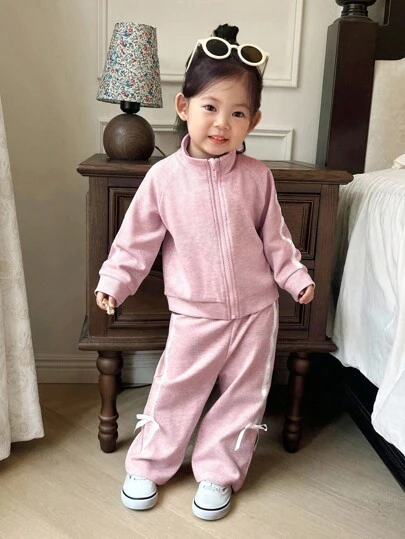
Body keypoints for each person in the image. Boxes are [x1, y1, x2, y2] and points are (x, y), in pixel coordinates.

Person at [95, 23, 315, 521]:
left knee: (243, 396)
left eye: (237, 113)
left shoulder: (257, 177)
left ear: (253, 121)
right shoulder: (164, 178)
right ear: (184, 106)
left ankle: (219, 471)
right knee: (175, 389)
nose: (222, 123)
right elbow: (135, 242)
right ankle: (149, 465)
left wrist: (295, 278)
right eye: (210, 107)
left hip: (256, 312)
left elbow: (276, 239)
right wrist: (114, 282)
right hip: (195, 313)